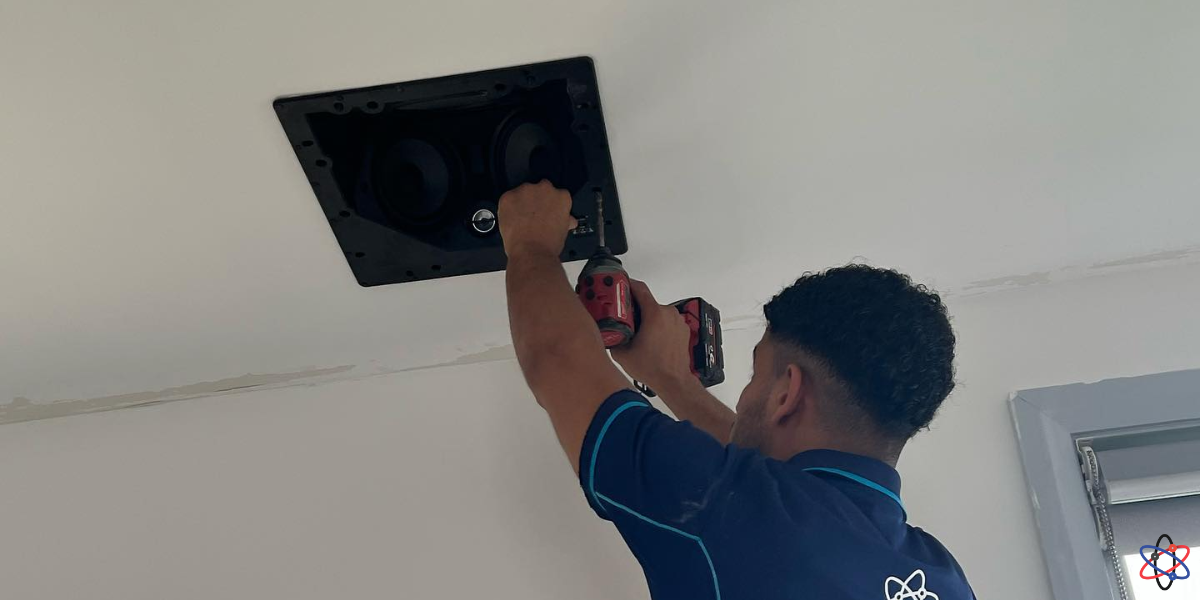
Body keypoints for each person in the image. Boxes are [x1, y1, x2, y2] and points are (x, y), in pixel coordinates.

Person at [500, 180, 976, 600]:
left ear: (787, 393)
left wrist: (530, 243)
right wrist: (673, 382)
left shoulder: (734, 513)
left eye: (756, 377)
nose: (746, 396)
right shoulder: (941, 578)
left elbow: (558, 359)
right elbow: (768, 484)